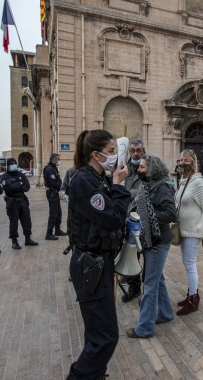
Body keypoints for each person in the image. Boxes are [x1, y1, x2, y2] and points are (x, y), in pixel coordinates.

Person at [66, 129, 130, 380]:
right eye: (111, 151)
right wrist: (119, 186)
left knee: (98, 333)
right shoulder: (84, 180)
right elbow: (112, 217)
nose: (115, 156)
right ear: (96, 154)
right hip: (90, 265)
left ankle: (95, 375)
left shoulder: (98, 177)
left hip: (101, 263)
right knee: (105, 337)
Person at [126, 155, 176, 338]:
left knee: (150, 284)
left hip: (157, 240)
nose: (139, 170)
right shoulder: (147, 185)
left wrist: (147, 215)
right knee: (157, 278)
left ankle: (145, 328)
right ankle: (165, 313)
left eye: (142, 167)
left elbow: (171, 213)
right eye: (139, 167)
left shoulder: (162, 187)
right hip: (151, 238)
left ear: (152, 169)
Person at [175, 149, 203, 316]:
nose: (182, 163)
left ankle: (193, 300)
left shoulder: (198, 183)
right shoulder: (184, 181)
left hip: (193, 231)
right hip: (183, 230)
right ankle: (191, 293)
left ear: (193, 163)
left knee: (190, 265)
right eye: (181, 160)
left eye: (186, 160)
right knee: (187, 263)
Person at [120, 138, 145, 303]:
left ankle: (149, 289)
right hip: (128, 218)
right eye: (133, 150)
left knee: (148, 255)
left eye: (138, 150)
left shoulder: (148, 168)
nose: (135, 153)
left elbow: (146, 192)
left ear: (143, 151)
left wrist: (130, 194)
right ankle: (134, 288)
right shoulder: (124, 168)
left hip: (144, 219)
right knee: (130, 254)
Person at [1, 158, 38, 249]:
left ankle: (28, 239)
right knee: (14, 222)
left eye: (15, 163)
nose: (14, 165)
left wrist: (18, 185)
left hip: (22, 200)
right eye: (12, 163)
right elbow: (9, 188)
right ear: (8, 165)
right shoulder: (4, 176)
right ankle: (14, 241)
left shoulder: (21, 175)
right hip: (12, 202)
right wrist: (20, 184)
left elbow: (27, 187)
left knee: (27, 221)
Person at [43, 153, 67, 240]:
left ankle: (57, 230)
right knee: (53, 213)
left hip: (55, 193)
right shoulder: (49, 169)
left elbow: (58, 180)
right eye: (58, 160)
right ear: (54, 160)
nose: (59, 161)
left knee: (58, 212)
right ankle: (49, 233)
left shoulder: (54, 168)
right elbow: (53, 182)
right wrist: (61, 186)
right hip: (52, 193)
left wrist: (60, 184)